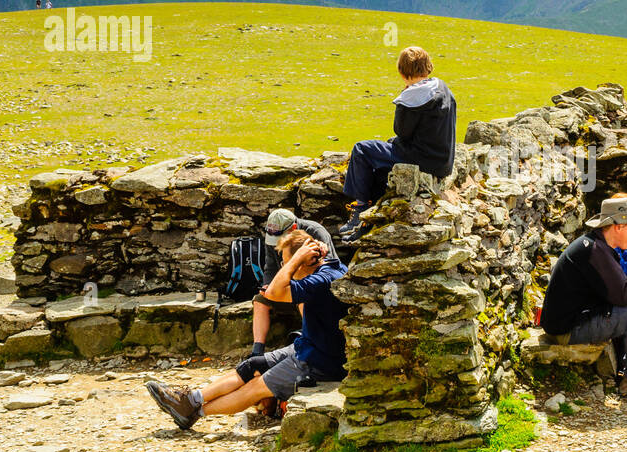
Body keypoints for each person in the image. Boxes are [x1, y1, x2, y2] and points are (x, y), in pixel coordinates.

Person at [145, 231, 347, 430]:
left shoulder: (322, 281)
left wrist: (296, 259)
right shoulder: (324, 270)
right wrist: (297, 260)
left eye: (287, 262)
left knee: (254, 388)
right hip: (309, 346)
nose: (285, 267)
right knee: (252, 366)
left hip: (320, 361)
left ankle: (194, 413)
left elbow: (274, 293)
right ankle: (190, 399)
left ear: (305, 261)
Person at [539, 195, 627, 401]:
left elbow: (615, 288)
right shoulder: (595, 251)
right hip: (567, 330)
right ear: (619, 226)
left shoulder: (599, 247)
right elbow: (621, 294)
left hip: (574, 321)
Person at [339, 46, 456, 241]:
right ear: (429, 66)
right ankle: (369, 222)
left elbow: (401, 131)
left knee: (362, 150)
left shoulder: (412, 97)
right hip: (442, 160)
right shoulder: (442, 87)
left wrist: (403, 100)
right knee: (380, 171)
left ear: (402, 71)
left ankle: (359, 208)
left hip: (419, 157)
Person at [248, 209, 337, 359]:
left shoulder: (316, 232)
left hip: (309, 288)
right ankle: (257, 351)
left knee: (304, 300)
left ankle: (311, 340)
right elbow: (270, 267)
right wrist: (267, 285)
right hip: (284, 287)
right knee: (259, 301)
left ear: (294, 228)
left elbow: (328, 267)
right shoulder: (272, 235)